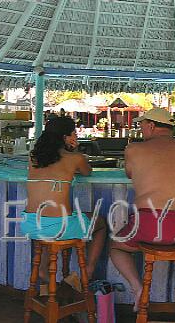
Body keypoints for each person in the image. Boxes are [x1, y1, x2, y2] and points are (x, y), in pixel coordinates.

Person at [109, 108, 175, 323]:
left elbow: (130, 173)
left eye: (142, 124)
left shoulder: (134, 149)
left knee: (115, 246)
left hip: (150, 225)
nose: (140, 128)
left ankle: (138, 290)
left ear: (151, 126)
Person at [21, 116, 106, 280]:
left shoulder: (33, 157)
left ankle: (44, 271)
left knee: (48, 225)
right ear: (65, 137)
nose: (75, 136)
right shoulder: (75, 158)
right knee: (100, 223)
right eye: (73, 133)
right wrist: (74, 151)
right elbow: (87, 172)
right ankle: (88, 270)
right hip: (60, 227)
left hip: (30, 224)